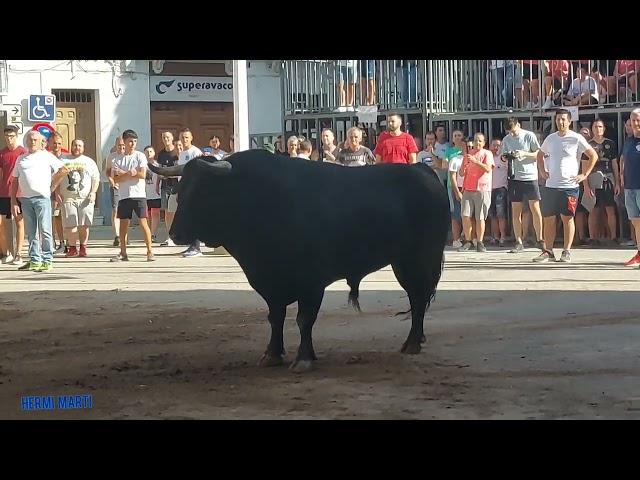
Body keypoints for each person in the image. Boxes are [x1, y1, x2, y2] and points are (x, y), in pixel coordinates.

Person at [534, 109, 598, 263]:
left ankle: (566, 251)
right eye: (558, 119)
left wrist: (584, 175)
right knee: (549, 219)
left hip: (569, 186)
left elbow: (593, 156)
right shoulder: (550, 138)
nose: (560, 122)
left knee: (567, 218)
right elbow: (539, 155)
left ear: (569, 121)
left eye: (563, 119)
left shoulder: (576, 138)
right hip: (551, 186)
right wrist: (542, 171)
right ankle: (548, 251)